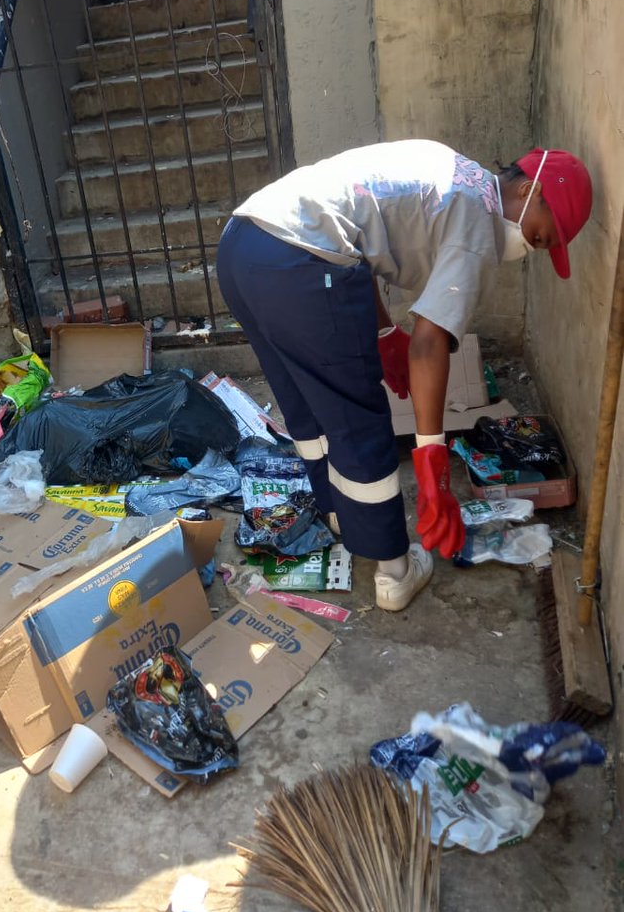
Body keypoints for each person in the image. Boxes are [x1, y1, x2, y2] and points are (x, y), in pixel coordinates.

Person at [216, 140, 592, 611]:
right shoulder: (479, 224)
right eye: (542, 237)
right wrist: (432, 461)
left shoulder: (453, 168)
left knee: (306, 398)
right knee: (357, 416)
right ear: (528, 190)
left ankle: (338, 513)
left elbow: (359, 244)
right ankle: (394, 572)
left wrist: (383, 331)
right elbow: (430, 344)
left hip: (244, 244)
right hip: (300, 263)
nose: (533, 247)